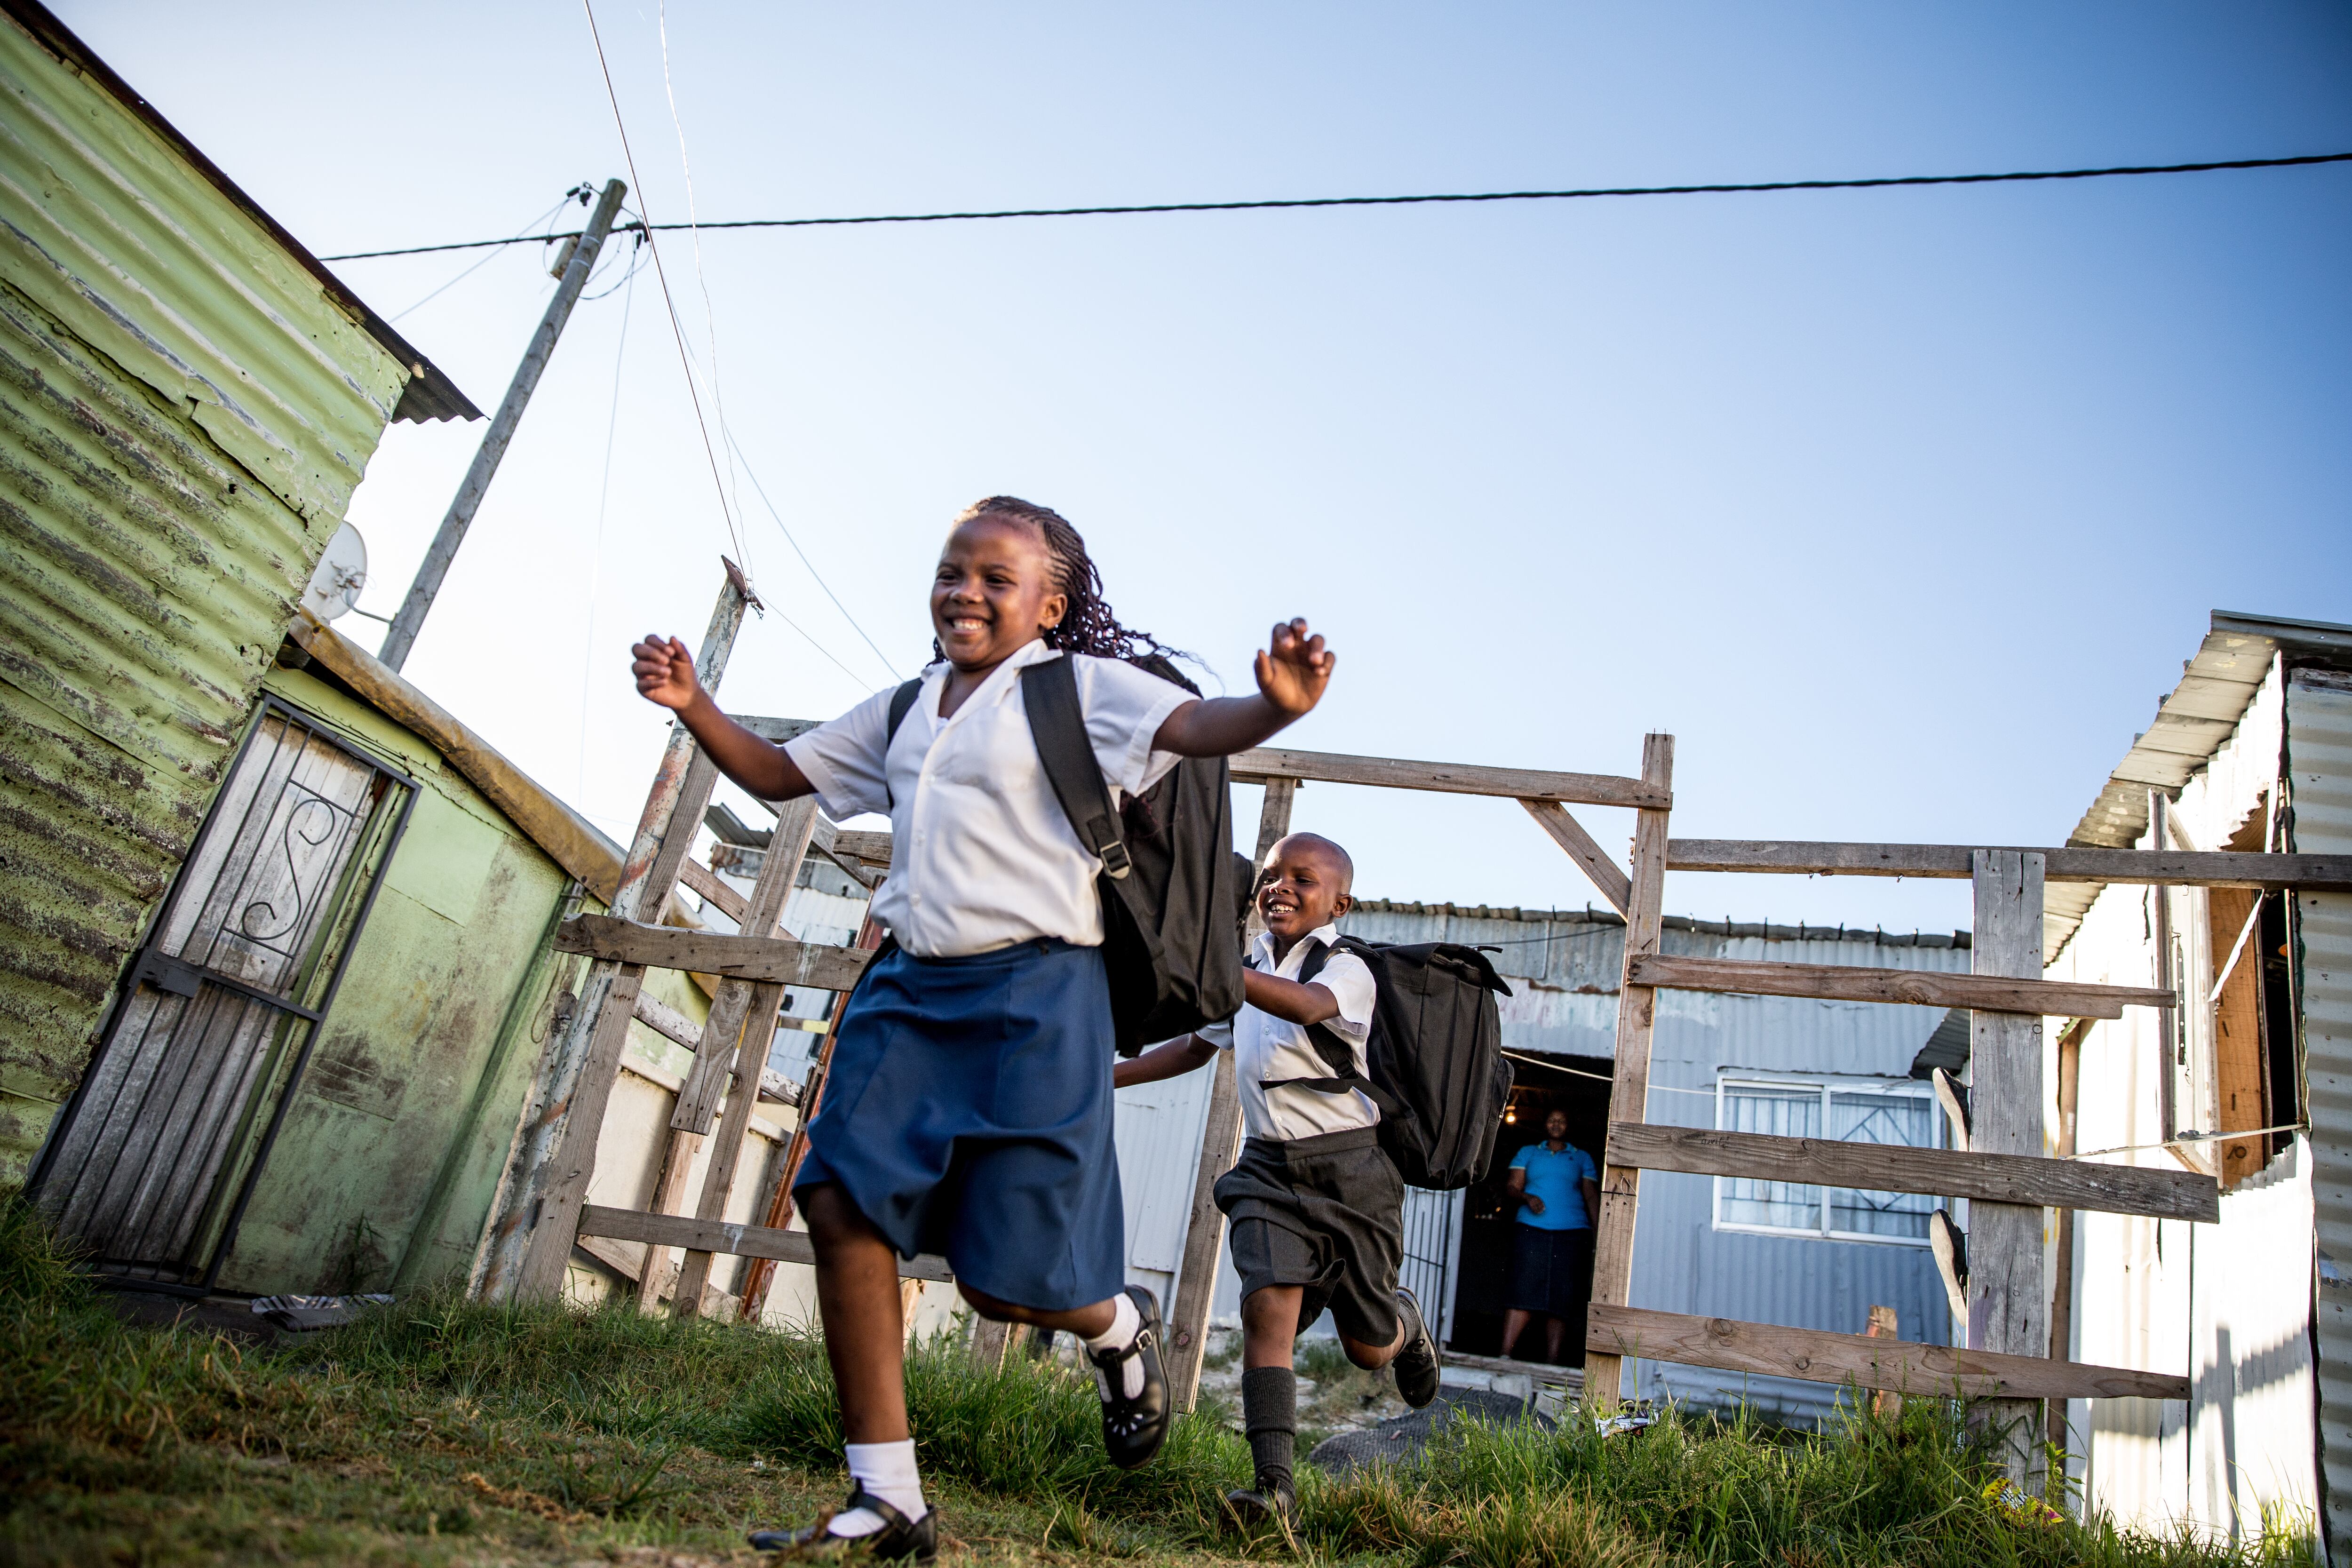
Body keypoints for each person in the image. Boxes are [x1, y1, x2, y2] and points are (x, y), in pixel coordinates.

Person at [629, 496, 1336, 1561]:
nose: (965, 591)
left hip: (1038, 1000)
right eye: (952, 571)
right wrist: (695, 703)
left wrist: (1272, 709)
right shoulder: (909, 707)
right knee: (836, 1197)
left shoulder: (1079, 690)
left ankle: (1114, 1325)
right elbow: (785, 776)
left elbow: (1193, 730)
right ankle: (887, 1494)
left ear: (1049, 606)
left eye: (996, 579)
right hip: (909, 991)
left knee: (1007, 1282)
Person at [1113, 831, 1440, 1529]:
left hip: (1353, 1171)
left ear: (1339, 902)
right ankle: (1274, 1486)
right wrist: (1105, 1073)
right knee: (1268, 1311)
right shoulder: (1250, 963)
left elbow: (1304, 1007)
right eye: (1270, 875)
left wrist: (1217, 971)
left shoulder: (1350, 967)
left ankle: (1404, 1325)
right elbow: (1196, 1048)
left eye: (1303, 877)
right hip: (1267, 1166)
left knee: (1365, 1347)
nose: (1280, 886)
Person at [1500, 1107, 1599, 1364]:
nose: (1556, 1124)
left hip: (1572, 1233)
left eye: (1562, 1120)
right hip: (1531, 1229)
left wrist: (1600, 1232)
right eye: (1552, 1119)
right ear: (1544, 1124)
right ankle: (1504, 1355)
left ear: (1569, 1126)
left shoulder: (1582, 1158)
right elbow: (1512, 1187)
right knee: (1522, 1289)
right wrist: (1527, 1197)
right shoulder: (1529, 1152)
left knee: (1561, 1297)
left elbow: (1590, 1196)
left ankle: (1552, 1363)